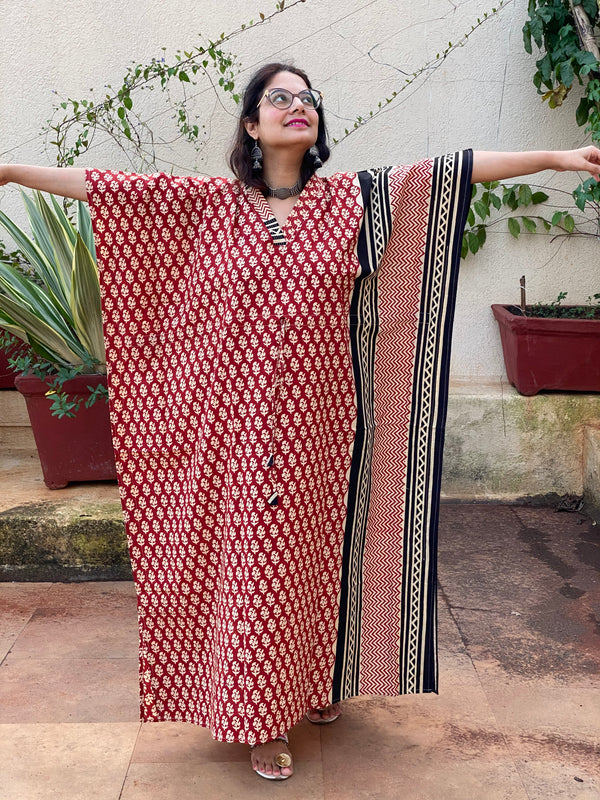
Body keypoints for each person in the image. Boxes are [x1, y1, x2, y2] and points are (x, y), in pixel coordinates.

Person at [1, 62, 600, 782]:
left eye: (308, 97)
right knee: (257, 562)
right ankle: (260, 717)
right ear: (252, 125)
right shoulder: (209, 206)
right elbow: (104, 187)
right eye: (278, 97)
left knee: (316, 562)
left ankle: (313, 681)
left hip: (326, 428)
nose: (298, 105)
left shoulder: (350, 202)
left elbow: (458, 169)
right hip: (237, 433)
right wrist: (10, 172)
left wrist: (559, 156)